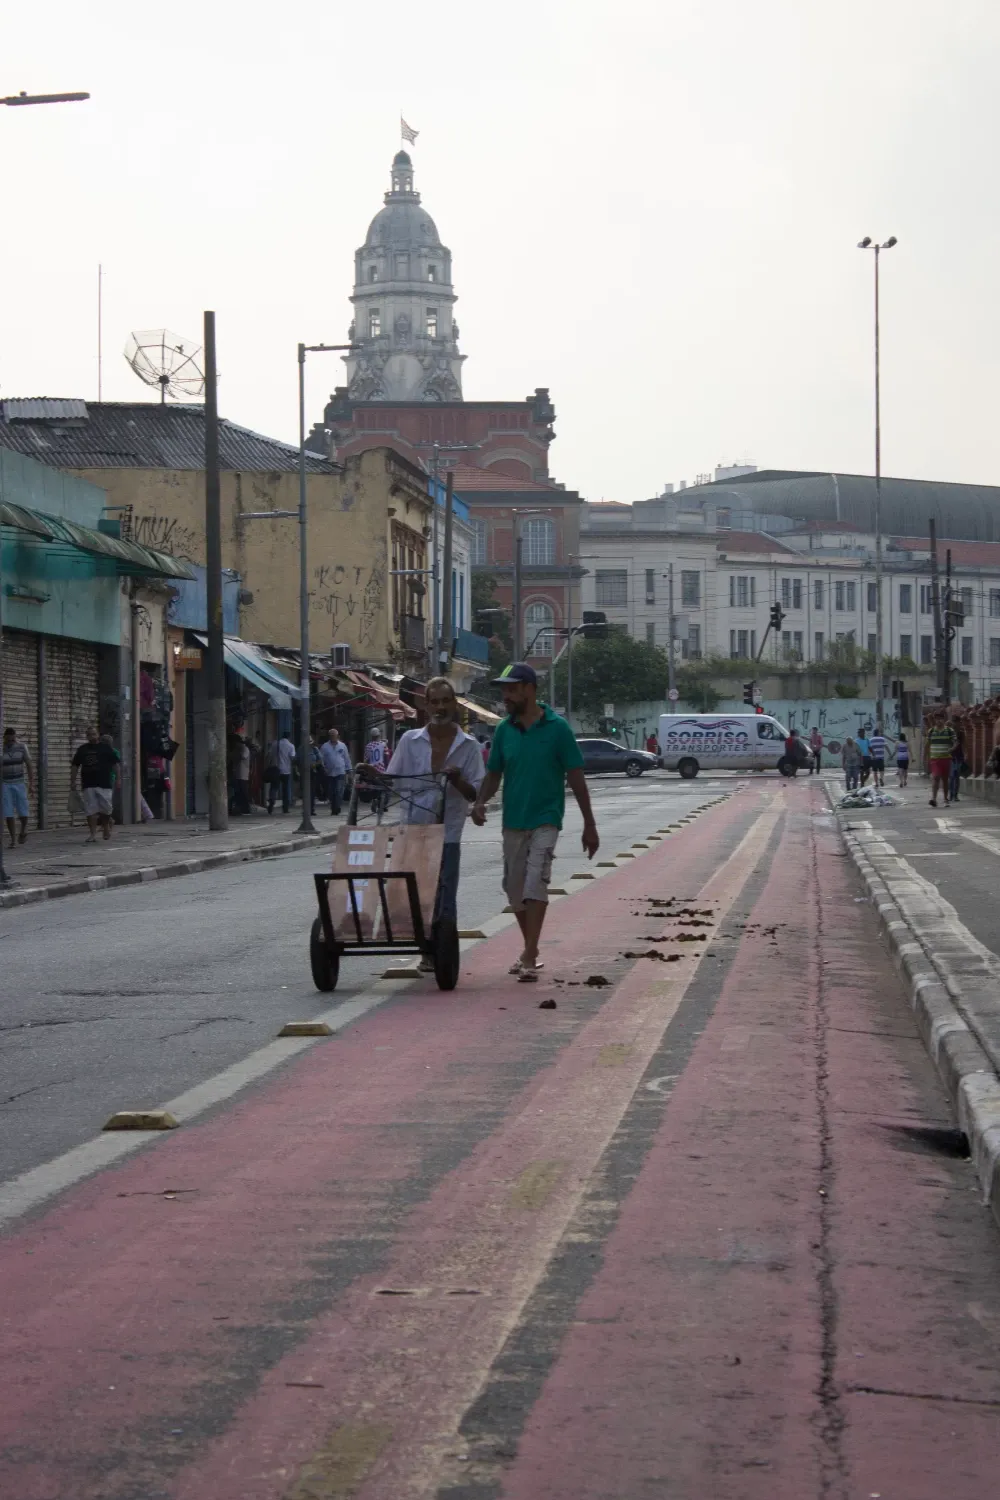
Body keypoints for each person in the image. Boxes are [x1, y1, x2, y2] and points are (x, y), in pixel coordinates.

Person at [472, 662, 599, 981]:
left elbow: (576, 777)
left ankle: (529, 954)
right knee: (514, 890)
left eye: (512, 689)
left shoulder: (558, 728)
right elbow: (494, 774)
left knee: (535, 883)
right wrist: (479, 802)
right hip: (514, 820)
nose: (506, 695)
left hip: (546, 818)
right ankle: (531, 948)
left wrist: (589, 824)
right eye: (504, 690)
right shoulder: (503, 730)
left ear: (530, 689)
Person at [371, 677, 484, 965]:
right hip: (412, 830)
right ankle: (425, 951)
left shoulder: (468, 746)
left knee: (445, 895)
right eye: (435, 701)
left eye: (446, 701)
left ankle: (443, 956)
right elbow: (393, 780)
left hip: (448, 834)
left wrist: (457, 779)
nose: (440, 707)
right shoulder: (410, 740)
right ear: (425, 705)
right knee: (416, 893)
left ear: (454, 704)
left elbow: (476, 793)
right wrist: (371, 774)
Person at [71, 726, 118, 842]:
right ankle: (92, 834)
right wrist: (72, 781)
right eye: (89, 734)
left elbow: (115, 764)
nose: (91, 736)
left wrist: (119, 779)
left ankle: (106, 826)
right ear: (86, 736)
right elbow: (75, 766)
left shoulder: (106, 748)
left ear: (98, 735)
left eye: (93, 734)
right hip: (88, 783)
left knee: (106, 808)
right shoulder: (82, 749)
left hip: (104, 783)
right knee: (90, 809)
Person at [2, 727, 34, 849]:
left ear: (15, 737)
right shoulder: (2, 749)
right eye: (8, 737)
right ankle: (13, 839)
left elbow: (29, 765)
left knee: (23, 809)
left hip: (20, 783)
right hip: (5, 784)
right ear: (5, 737)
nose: (11, 739)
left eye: (13, 737)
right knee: (8, 812)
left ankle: (23, 829)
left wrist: (31, 784)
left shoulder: (22, 747)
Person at [319, 727, 352, 816]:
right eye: (331, 735)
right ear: (329, 736)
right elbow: (321, 759)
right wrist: (323, 768)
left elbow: (346, 758)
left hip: (340, 771)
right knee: (331, 791)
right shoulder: (325, 746)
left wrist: (349, 770)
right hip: (329, 772)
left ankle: (337, 807)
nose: (333, 737)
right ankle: (333, 807)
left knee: (339, 790)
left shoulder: (342, 745)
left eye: (334, 735)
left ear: (337, 736)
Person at [926, 717, 958, 807]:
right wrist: (927, 757)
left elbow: (956, 742)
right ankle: (934, 799)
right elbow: (927, 745)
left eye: (940, 718)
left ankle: (945, 799)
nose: (938, 720)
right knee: (935, 777)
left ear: (943, 719)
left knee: (945, 780)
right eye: (937, 718)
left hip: (946, 758)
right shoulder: (931, 731)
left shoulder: (949, 730)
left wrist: (952, 748)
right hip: (934, 759)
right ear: (935, 720)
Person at [267, 731, 296, 814]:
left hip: (275, 769)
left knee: (274, 787)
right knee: (285, 789)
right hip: (286, 770)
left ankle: (271, 801)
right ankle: (285, 808)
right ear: (289, 737)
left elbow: (269, 755)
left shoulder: (275, 744)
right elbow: (292, 757)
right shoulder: (291, 746)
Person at [364, 729, 390, 814]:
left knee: (375, 788)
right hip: (381, 771)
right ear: (379, 735)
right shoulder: (383, 745)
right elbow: (386, 758)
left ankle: (375, 800)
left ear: (371, 736)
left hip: (372, 770)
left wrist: (366, 770)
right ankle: (382, 804)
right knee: (385, 788)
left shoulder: (368, 746)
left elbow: (366, 760)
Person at [949, 720, 965, 804]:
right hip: (950, 757)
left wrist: (966, 754)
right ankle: (951, 794)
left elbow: (963, 744)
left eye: (957, 722)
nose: (955, 724)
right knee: (951, 777)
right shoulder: (949, 732)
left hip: (959, 757)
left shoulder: (961, 733)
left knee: (957, 776)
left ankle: (955, 795)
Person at [868, 725, 888, 789]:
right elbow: (886, 747)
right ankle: (881, 778)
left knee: (875, 771)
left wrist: (869, 755)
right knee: (882, 770)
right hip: (881, 758)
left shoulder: (870, 740)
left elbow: (869, 749)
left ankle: (876, 783)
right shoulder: (882, 739)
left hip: (874, 758)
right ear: (878, 733)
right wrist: (890, 754)